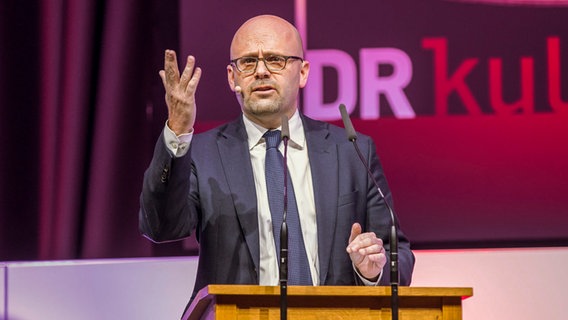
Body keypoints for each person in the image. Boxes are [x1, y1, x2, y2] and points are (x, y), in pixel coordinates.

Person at [139, 14, 415, 313]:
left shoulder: (351, 150)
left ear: (303, 72)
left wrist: (371, 269)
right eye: (247, 62)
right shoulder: (202, 154)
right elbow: (160, 227)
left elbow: (397, 255)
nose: (260, 71)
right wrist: (177, 131)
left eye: (275, 59)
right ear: (233, 78)